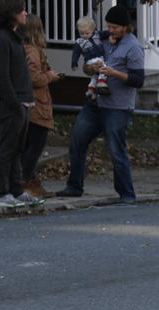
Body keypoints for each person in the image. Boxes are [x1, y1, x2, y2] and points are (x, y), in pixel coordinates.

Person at [55, 5, 145, 204]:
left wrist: (115, 73)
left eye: (115, 27)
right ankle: (74, 186)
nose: (110, 30)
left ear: (125, 27)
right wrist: (89, 67)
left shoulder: (133, 47)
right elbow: (88, 68)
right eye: (109, 26)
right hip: (95, 102)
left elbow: (138, 80)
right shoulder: (101, 40)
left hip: (118, 107)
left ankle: (126, 194)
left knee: (115, 149)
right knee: (77, 140)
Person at [0, 0, 39, 208]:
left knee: (19, 148)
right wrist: (14, 102)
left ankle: (16, 189)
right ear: (11, 14)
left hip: (23, 100)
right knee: (8, 147)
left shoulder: (15, 37)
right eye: (21, 10)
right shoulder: (1, 39)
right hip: (12, 102)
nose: (25, 13)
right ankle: (2, 191)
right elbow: (2, 75)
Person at [21, 13, 60, 198]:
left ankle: (30, 181)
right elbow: (35, 78)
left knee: (28, 146)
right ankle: (26, 182)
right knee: (35, 146)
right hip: (37, 104)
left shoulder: (24, 48)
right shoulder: (32, 52)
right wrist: (50, 76)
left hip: (31, 103)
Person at [71, 16, 109, 99]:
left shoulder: (97, 35)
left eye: (87, 33)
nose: (84, 35)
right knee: (104, 68)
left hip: (100, 57)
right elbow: (76, 53)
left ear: (93, 30)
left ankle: (90, 91)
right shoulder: (79, 42)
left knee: (95, 76)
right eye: (82, 33)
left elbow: (105, 33)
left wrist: (110, 32)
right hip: (90, 60)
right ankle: (101, 83)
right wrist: (74, 63)